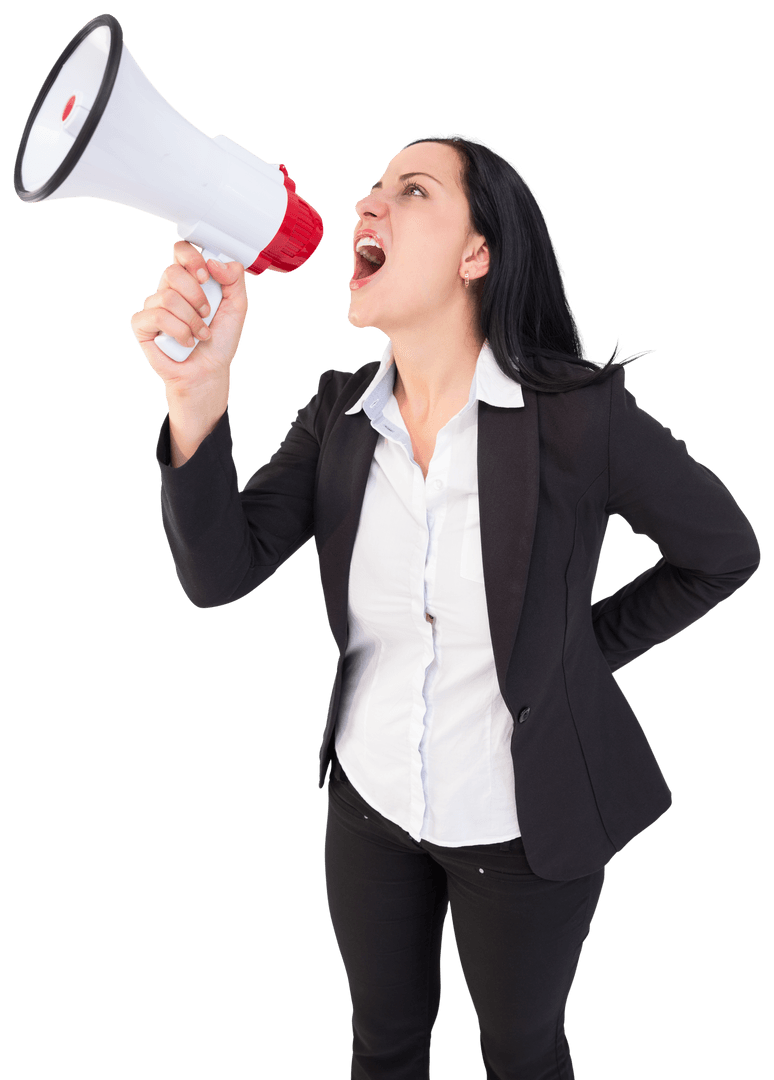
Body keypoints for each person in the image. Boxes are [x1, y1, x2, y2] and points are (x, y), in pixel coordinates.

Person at [130, 134, 761, 1080]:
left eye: (411, 190)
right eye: (371, 189)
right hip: (369, 807)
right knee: (382, 1047)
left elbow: (723, 554)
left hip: (524, 830)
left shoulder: (580, 421)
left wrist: (571, 655)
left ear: (479, 255)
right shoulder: (337, 417)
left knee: (521, 1052)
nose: (365, 206)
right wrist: (196, 391)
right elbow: (218, 572)